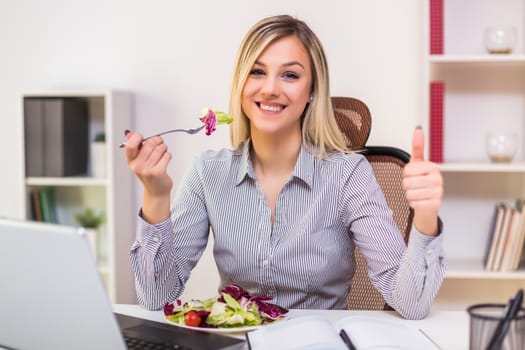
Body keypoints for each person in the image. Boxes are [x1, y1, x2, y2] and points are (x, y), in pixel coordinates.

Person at [124, 14, 445, 320]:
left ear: (312, 91)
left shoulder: (348, 175)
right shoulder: (208, 172)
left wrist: (426, 216)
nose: (270, 89)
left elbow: (410, 304)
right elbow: (156, 298)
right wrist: (155, 195)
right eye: (257, 72)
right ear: (241, 83)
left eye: (290, 75)